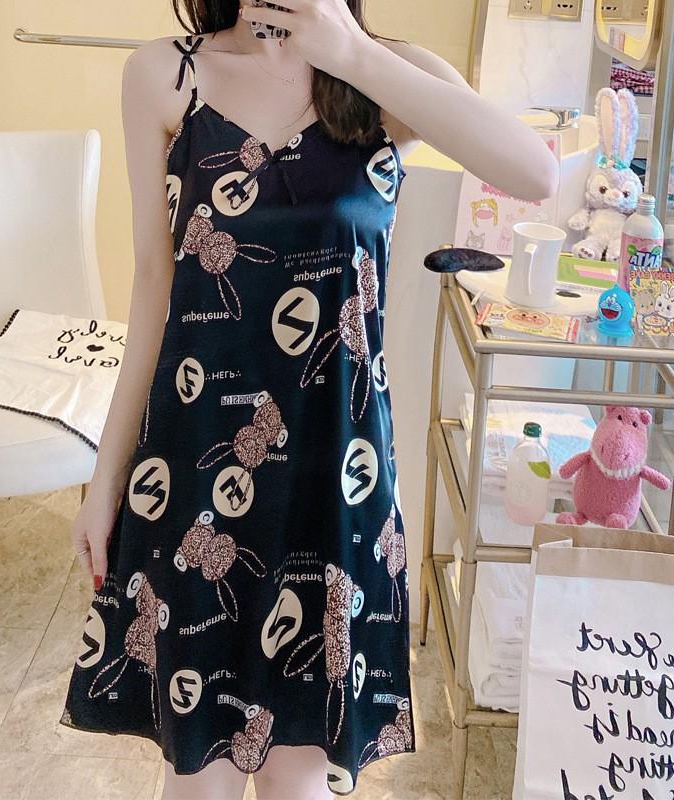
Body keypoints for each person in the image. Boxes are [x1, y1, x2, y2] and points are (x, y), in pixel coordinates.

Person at [59, 1, 559, 798]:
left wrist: (349, 52)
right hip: (197, 472)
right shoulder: (166, 74)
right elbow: (154, 284)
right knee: (197, 778)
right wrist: (106, 478)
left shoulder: (386, 76)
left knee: (299, 780)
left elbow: (535, 171)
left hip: (332, 484)